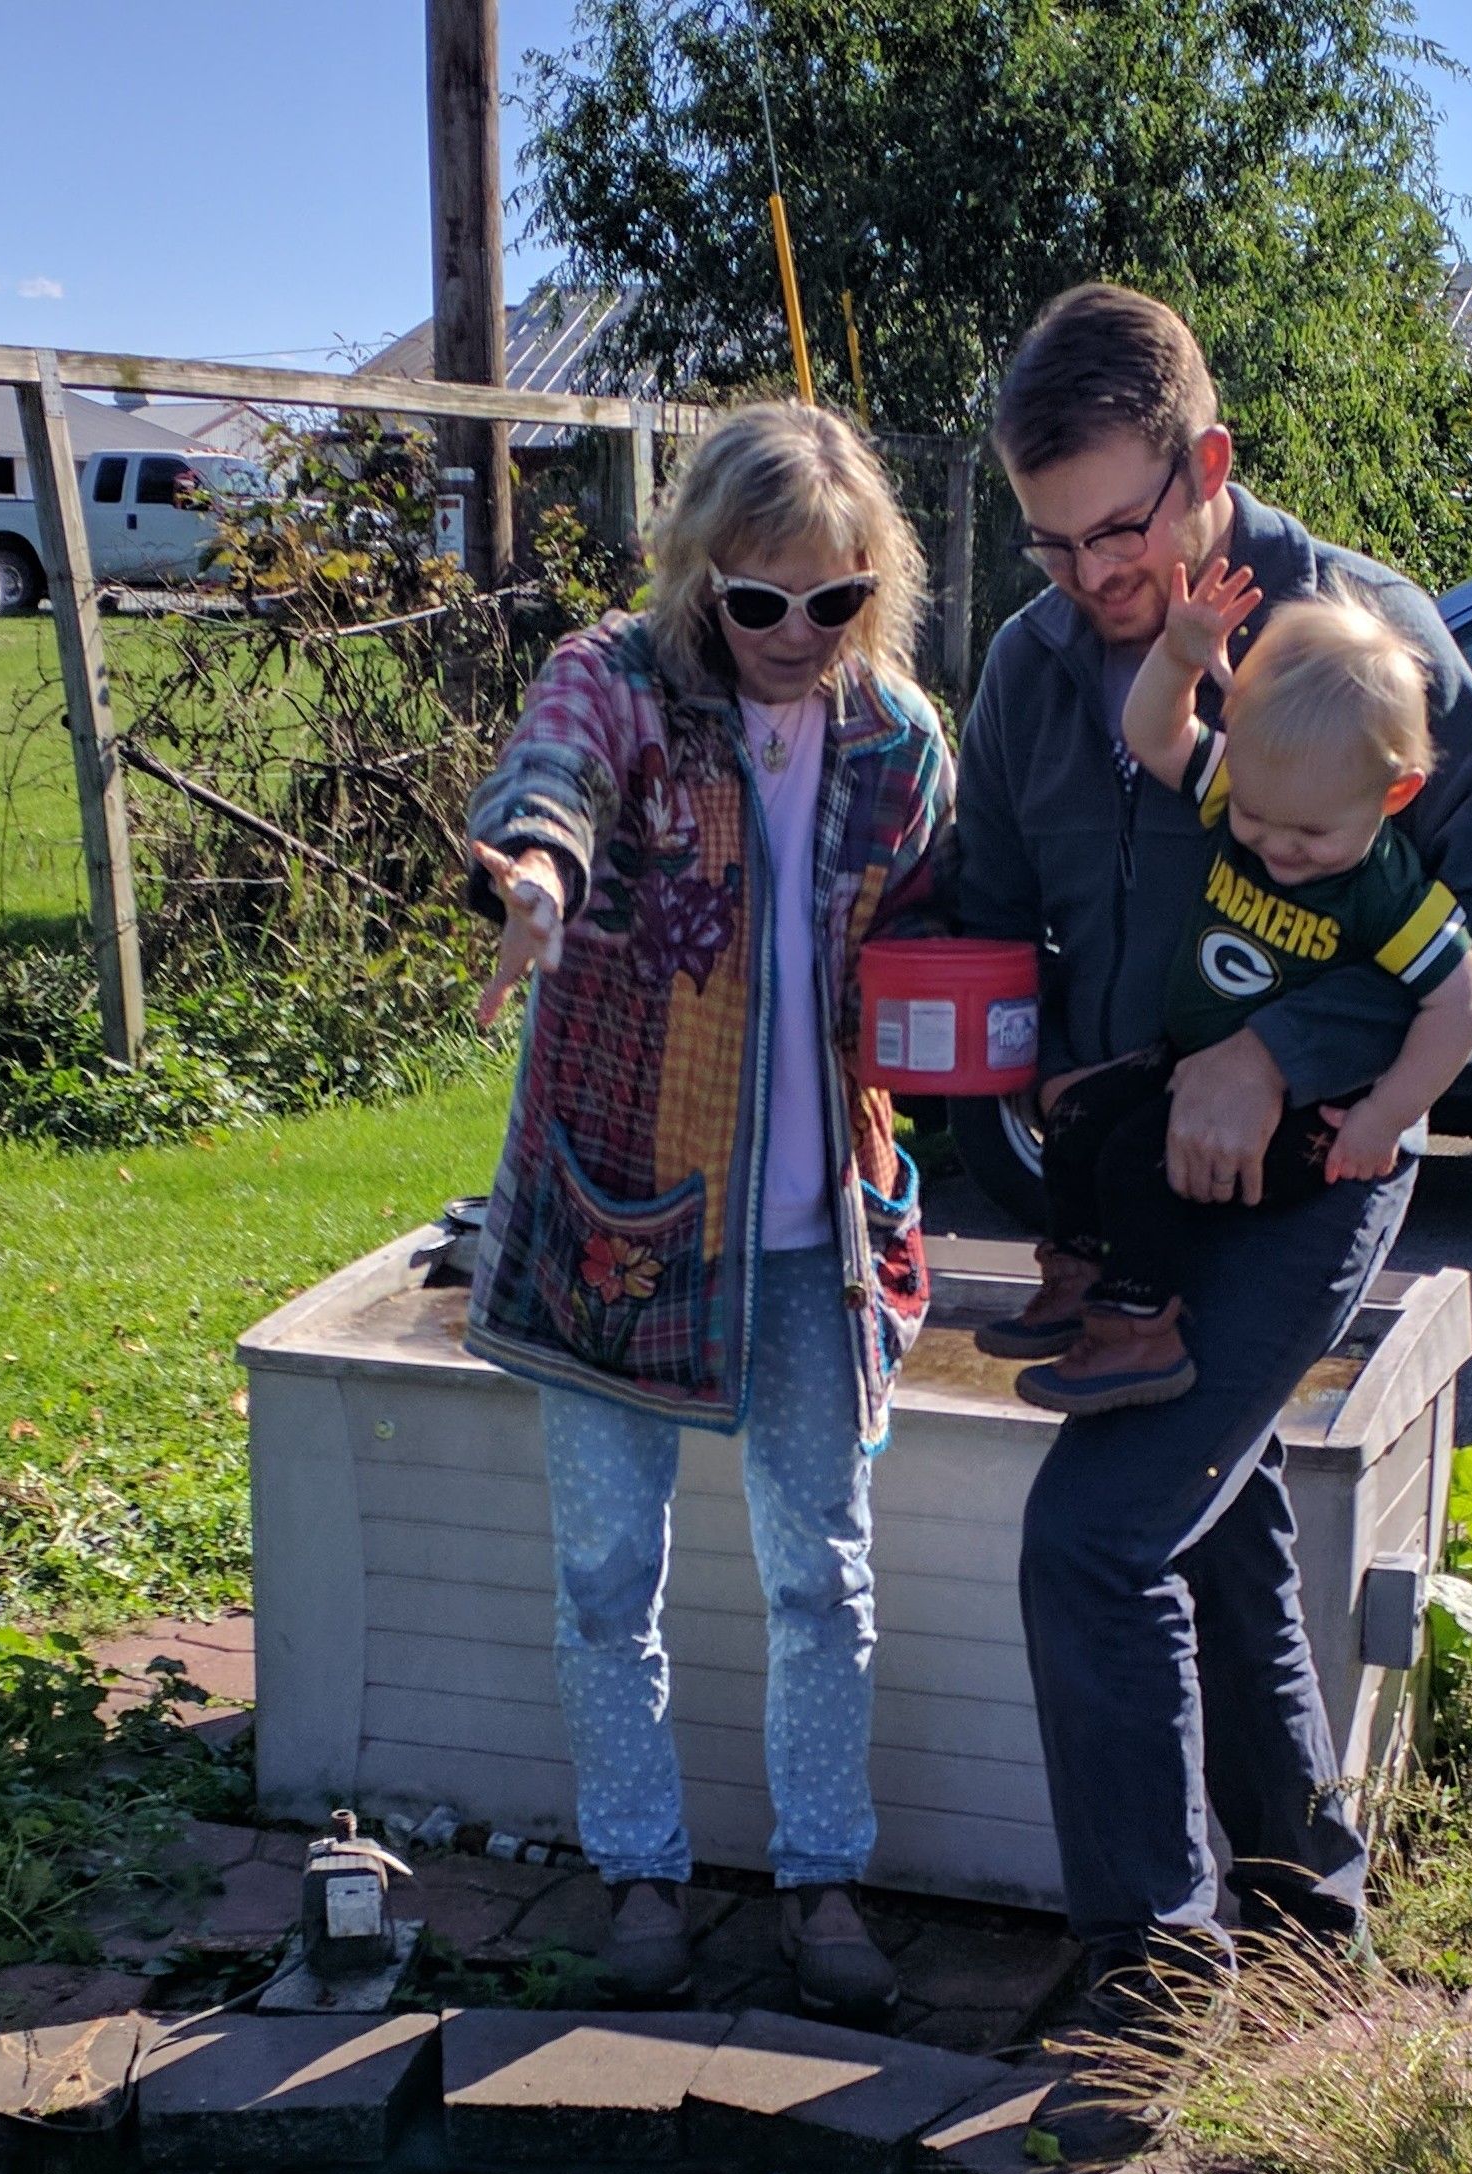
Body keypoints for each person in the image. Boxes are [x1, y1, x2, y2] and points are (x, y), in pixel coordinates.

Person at [953, 281, 1472, 2153]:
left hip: (1305, 1188)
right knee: (1207, 1538)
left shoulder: (1361, 645)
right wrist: (1008, 1159)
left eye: (1120, 531)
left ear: (1207, 469)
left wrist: (1284, 1054)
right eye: (1049, 540)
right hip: (1124, 1201)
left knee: (1098, 1537)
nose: (1084, 578)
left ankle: (1156, 1989)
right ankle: (1311, 1920)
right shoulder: (1035, 664)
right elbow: (997, 934)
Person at [460, 404, 951, 2023]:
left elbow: (950, 938)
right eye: (758, 602)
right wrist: (535, 874)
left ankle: (821, 1883)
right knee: (610, 1573)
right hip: (624, 1217)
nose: (797, 635)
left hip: (822, 1232)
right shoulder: (624, 682)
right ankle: (642, 1875)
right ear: (697, 579)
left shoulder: (901, 749)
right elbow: (557, 776)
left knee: (825, 1577)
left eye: (834, 597)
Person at [983, 567, 1472, 1415]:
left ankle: (1141, 1331)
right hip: (1190, 1061)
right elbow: (1155, 734)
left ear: (1393, 793)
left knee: (1142, 1160)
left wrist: (1383, 1116)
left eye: (1310, 834)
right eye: (1256, 819)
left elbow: (1459, 1002)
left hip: (1294, 1120)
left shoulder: (1385, 890)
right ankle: (1079, 1277)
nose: (1276, 849)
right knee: (1073, 1117)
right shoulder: (1246, 784)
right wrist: (1182, 657)